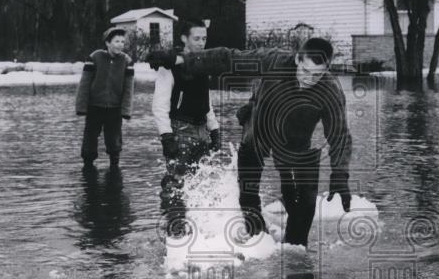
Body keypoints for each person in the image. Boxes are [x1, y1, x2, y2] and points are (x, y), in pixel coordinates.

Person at [148, 37, 352, 247]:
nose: (309, 79)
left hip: (296, 143)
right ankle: (256, 241)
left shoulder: (330, 91)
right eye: (305, 71)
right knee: (248, 194)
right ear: (297, 59)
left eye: (316, 75)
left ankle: (295, 252)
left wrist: (340, 175)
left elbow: (339, 135)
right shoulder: (274, 61)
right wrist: (180, 59)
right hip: (258, 131)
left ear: (327, 69)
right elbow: (228, 58)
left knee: (304, 206)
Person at [153, 18, 221, 235]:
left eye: (204, 38)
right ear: (184, 38)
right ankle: (174, 233)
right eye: (196, 38)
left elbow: (205, 100)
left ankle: (197, 229)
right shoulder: (170, 66)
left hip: (201, 130)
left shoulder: (203, 63)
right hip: (180, 129)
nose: (201, 42)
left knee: (199, 182)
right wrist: (166, 136)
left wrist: (215, 128)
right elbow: (159, 105)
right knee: (175, 184)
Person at [75, 27, 135, 168]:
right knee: (90, 138)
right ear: (108, 43)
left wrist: (126, 110)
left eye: (122, 41)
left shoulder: (127, 61)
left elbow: (128, 89)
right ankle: (88, 165)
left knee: (114, 140)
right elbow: (84, 84)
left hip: (114, 109)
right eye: (116, 41)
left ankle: (114, 165)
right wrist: (81, 107)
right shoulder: (95, 57)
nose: (120, 44)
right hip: (94, 106)